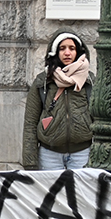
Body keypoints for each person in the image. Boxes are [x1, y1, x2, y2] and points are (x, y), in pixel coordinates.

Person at [22, 30, 94, 170]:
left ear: (78, 51)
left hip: (82, 153)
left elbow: (98, 119)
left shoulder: (89, 81)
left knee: (78, 192)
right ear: (55, 51)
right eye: (62, 48)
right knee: (52, 192)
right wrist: (30, 161)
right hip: (49, 154)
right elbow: (30, 122)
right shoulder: (43, 81)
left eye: (72, 48)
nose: (67, 53)